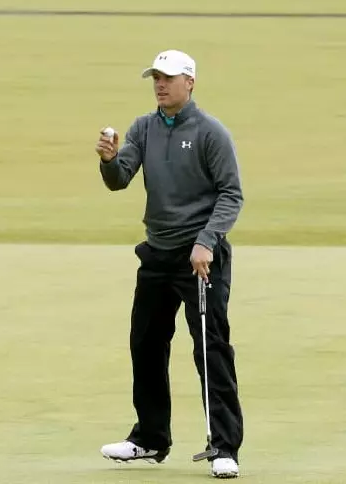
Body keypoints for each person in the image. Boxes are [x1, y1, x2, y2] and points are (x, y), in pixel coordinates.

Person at [96, 49, 244, 480]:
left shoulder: (210, 132)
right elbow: (120, 178)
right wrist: (108, 160)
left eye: (168, 78)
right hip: (157, 253)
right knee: (145, 343)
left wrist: (206, 241)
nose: (160, 85)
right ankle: (150, 438)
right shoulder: (143, 127)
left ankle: (224, 445)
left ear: (190, 82)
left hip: (200, 258)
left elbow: (231, 194)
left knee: (209, 348)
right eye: (156, 78)